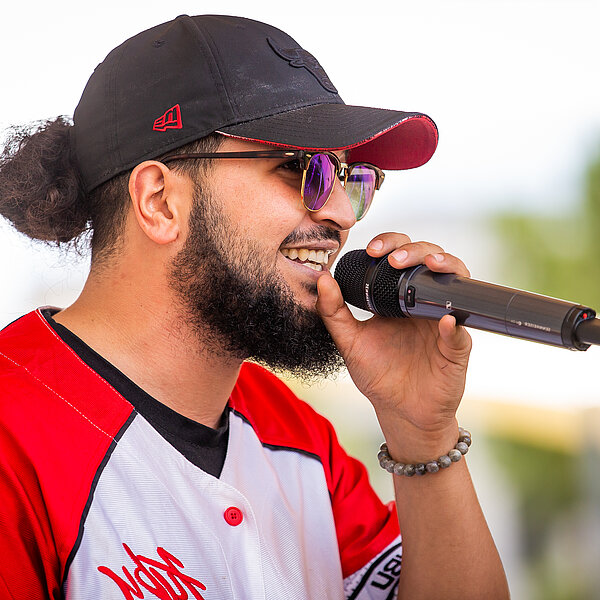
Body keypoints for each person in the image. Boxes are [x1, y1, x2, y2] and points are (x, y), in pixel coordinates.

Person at [0, 14, 509, 600]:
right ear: (160, 202)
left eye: (352, 177)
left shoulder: (297, 435)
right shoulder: (13, 435)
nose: (342, 213)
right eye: (299, 168)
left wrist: (422, 434)